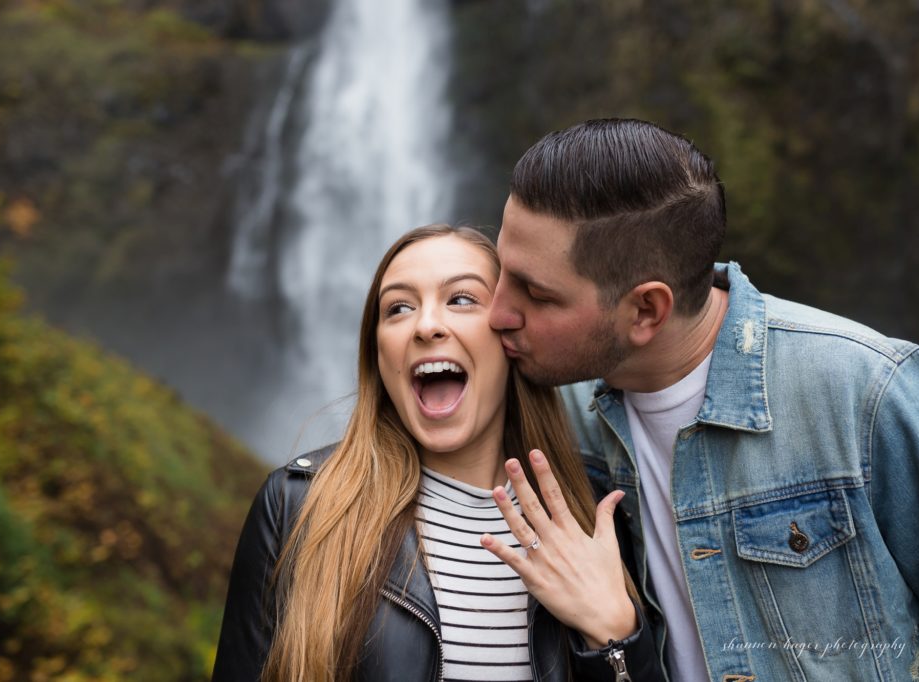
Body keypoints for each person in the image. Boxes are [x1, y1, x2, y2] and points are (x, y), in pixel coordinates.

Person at [488, 118, 919, 681]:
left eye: (536, 294)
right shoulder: (556, 414)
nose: (496, 313)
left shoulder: (873, 394)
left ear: (646, 310)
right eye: (500, 271)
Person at [211, 224, 660, 682]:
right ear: (378, 353)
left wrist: (616, 635)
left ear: (511, 338)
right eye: (399, 308)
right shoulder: (296, 508)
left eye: (461, 299)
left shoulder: (594, 521)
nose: (426, 326)